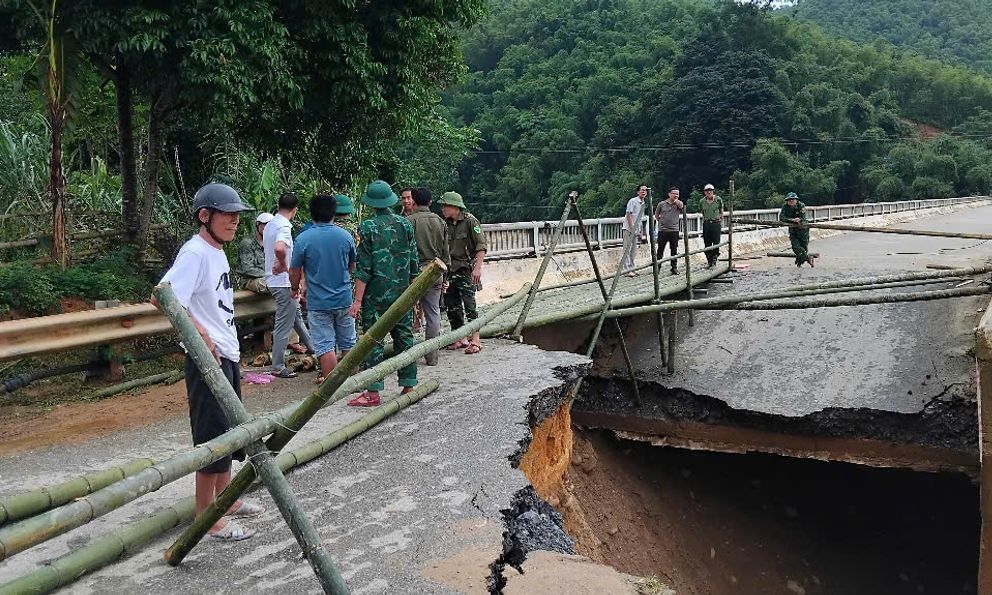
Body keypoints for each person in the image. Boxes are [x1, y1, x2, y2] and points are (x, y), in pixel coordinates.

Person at [152, 183, 263, 542]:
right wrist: (200, 333)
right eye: (227, 214)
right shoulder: (195, 252)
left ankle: (226, 502)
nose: (234, 221)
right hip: (205, 360)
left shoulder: (217, 251)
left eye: (236, 215)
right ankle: (207, 517)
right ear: (205, 216)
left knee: (231, 433)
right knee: (211, 438)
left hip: (226, 354)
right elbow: (162, 296)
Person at [348, 180, 420, 407]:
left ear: (371, 203)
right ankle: (408, 384)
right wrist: (413, 292)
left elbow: (364, 267)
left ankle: (373, 391)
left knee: (373, 341)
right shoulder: (405, 224)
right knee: (404, 337)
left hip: (375, 295)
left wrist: (357, 300)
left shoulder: (367, 227)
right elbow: (413, 261)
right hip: (402, 292)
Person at [290, 194, 358, 384]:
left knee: (325, 346)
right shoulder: (345, 236)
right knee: (349, 343)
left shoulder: (303, 239)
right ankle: (352, 384)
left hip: (318, 301)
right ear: (333, 213)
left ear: (311, 213)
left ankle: (332, 386)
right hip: (344, 298)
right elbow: (352, 266)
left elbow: (295, 270)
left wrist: (294, 288)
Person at [263, 192, 315, 378]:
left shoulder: (270, 224)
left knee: (295, 318)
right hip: (283, 282)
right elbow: (279, 248)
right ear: (295, 209)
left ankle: (313, 348)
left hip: (274, 280)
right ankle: (277, 366)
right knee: (284, 325)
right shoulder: (284, 225)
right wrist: (285, 267)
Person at [407, 187, 450, 366]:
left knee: (406, 313)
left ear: (414, 202)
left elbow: (404, 252)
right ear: (431, 202)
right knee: (433, 313)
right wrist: (445, 276)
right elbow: (446, 253)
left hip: (414, 273)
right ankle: (432, 358)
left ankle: (406, 358)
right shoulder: (440, 222)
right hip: (435, 270)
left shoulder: (408, 221)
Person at [439, 191, 487, 354]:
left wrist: (478, 268)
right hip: (449, 269)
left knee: (469, 304)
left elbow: (481, 246)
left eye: (445, 205)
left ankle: (476, 339)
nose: (443, 209)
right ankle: (460, 338)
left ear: (455, 206)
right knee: (452, 305)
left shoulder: (470, 221)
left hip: (466, 268)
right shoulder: (444, 223)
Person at [235, 212, 273, 292]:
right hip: (251, 279)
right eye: (266, 224)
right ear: (258, 224)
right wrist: (269, 275)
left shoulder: (271, 243)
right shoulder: (247, 244)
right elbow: (247, 269)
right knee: (268, 284)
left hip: (269, 277)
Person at [779, 191, 815, 268]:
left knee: (804, 247)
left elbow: (804, 218)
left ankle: (799, 262)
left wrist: (799, 221)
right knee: (795, 247)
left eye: (793, 199)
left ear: (796, 200)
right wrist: (792, 220)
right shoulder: (785, 207)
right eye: (789, 200)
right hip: (793, 230)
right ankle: (808, 259)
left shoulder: (801, 205)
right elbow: (781, 218)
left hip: (803, 230)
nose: (791, 201)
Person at [655, 186, 684, 275]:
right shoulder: (662, 204)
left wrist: (676, 201)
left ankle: (674, 268)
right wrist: (661, 222)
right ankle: (657, 267)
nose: (676, 195)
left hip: (674, 230)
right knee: (660, 250)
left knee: (674, 250)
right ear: (669, 194)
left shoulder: (678, 204)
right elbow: (656, 214)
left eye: (677, 194)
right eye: (674, 193)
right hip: (663, 230)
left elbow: (682, 206)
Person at [621, 185, 648, 276]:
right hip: (629, 228)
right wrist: (632, 226)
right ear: (638, 192)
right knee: (627, 249)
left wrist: (640, 231)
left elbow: (640, 218)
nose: (644, 192)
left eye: (645, 190)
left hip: (636, 228)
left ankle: (632, 268)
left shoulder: (643, 203)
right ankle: (626, 270)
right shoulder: (633, 201)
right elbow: (629, 214)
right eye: (642, 190)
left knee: (634, 250)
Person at [700, 184, 725, 268]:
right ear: (705, 192)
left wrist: (720, 219)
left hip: (716, 223)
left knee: (716, 242)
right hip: (707, 223)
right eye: (707, 191)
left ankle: (715, 258)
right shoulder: (702, 201)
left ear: (713, 191)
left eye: (711, 190)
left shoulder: (718, 199)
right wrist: (706, 219)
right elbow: (702, 212)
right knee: (707, 243)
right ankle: (709, 261)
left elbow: (721, 210)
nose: (709, 192)